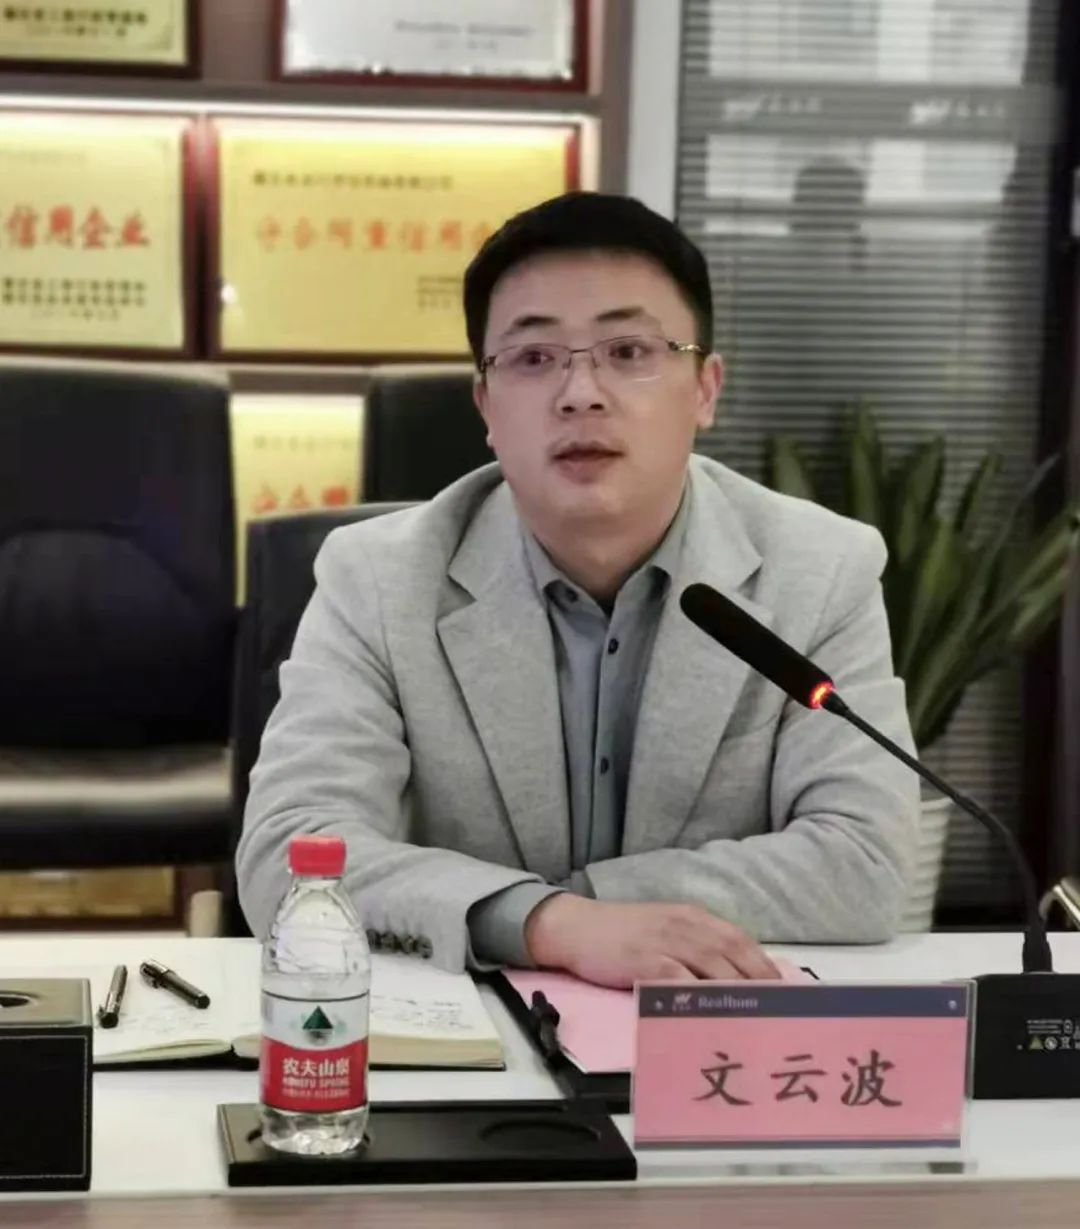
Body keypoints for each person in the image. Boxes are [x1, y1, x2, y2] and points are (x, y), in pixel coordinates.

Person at [236, 192, 917, 988]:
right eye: (533, 357)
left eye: (628, 350)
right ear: (486, 405)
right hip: (469, 1027)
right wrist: (552, 924)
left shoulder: (821, 570)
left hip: (713, 1028)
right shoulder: (377, 579)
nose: (581, 392)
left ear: (705, 388)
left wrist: (587, 907)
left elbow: (864, 859)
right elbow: (289, 852)